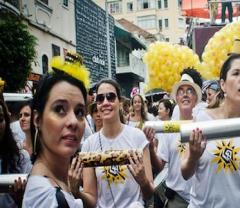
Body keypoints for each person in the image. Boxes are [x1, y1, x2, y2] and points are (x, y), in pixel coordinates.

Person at [181, 40, 240, 207]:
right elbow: (185, 172)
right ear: (223, 84)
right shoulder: (202, 119)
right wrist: (194, 155)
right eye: (236, 74)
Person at [22, 52, 89, 207]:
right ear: (37, 119)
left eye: (79, 112)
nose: (73, 121)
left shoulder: (56, 182)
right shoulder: (46, 197)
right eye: (59, 109)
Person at [79, 78, 154, 208]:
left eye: (111, 97)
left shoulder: (137, 137)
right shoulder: (89, 145)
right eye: (100, 99)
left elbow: (149, 193)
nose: (105, 102)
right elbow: (91, 199)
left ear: (119, 102)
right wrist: (76, 192)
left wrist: (143, 181)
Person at [145, 68, 203, 208]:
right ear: (176, 98)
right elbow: (160, 165)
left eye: (190, 90)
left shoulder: (204, 126)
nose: (185, 95)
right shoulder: (168, 128)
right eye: (181, 91)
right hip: (176, 200)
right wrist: (151, 148)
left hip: (201, 199)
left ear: (195, 98)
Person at [0, 100, 32, 208]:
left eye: (0, 118)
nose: (22, 119)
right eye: (20, 115)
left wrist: (21, 198)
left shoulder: (21, 158)